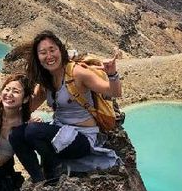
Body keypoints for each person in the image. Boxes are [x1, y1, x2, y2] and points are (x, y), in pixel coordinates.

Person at [9, 31, 121, 182]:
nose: (49, 56)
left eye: (52, 50)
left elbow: (113, 92)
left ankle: (53, 171)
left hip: (81, 139)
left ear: (60, 50)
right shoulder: (45, 80)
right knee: (15, 135)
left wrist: (112, 74)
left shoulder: (77, 72)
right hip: (59, 132)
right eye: (43, 52)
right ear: (38, 58)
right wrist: (0, 102)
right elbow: (29, 107)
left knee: (33, 130)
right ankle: (39, 179)